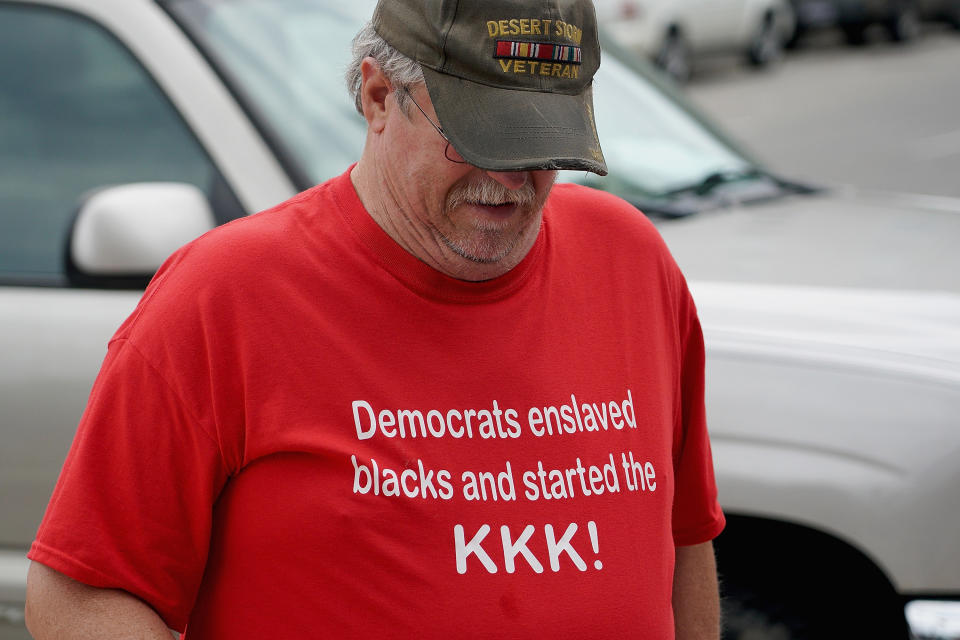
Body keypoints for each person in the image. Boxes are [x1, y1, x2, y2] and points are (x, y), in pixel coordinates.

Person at [24, 0, 725, 637]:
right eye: (481, 137)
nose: (513, 177)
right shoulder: (225, 297)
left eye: (542, 143)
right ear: (378, 96)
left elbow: (684, 541)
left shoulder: (630, 262)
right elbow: (84, 595)